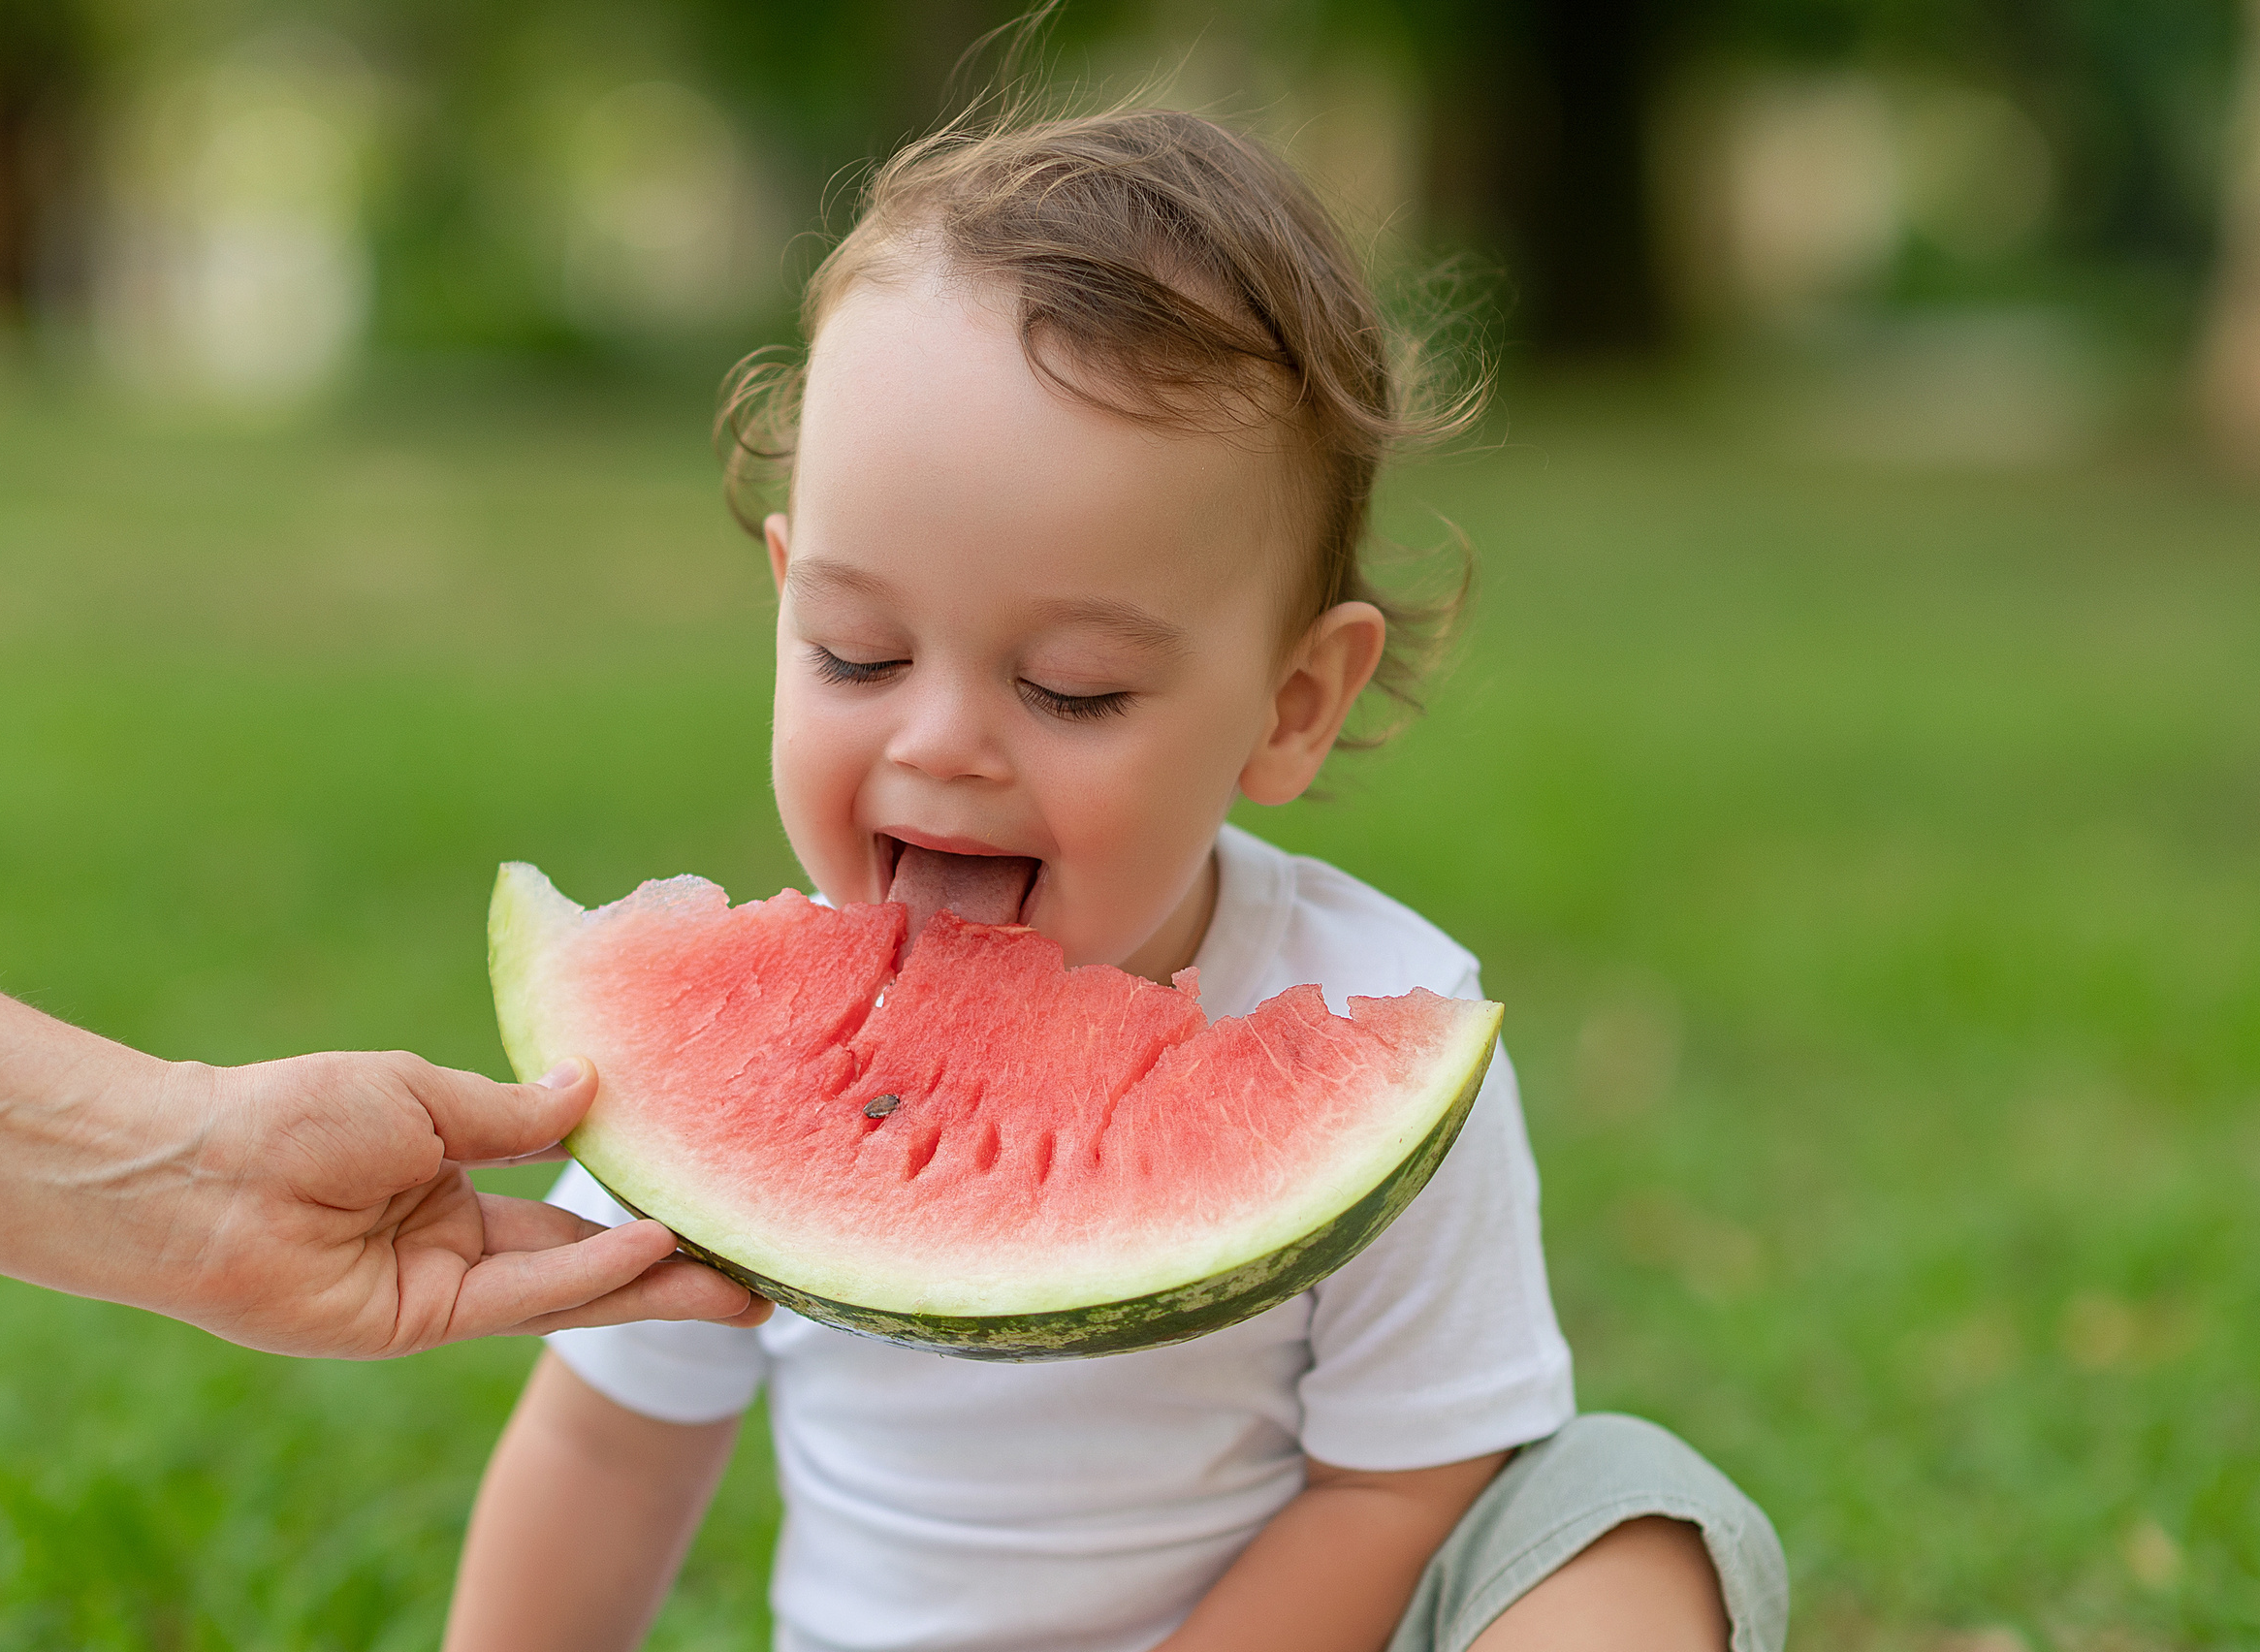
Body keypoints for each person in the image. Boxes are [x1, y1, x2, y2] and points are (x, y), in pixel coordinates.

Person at [442, 105, 1786, 1652]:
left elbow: (1400, 1490)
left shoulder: (1396, 1043)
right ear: (781, 597)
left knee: (1640, 1522)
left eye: (1073, 688)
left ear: (1293, 705)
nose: (941, 744)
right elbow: (608, 1441)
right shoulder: (720, 1080)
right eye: (856, 652)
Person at [0, 878, 770, 1357]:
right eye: (856, 658)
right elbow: (593, 1466)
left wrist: (196, 1187)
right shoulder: (647, 1207)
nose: (931, 743)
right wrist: (195, 1183)